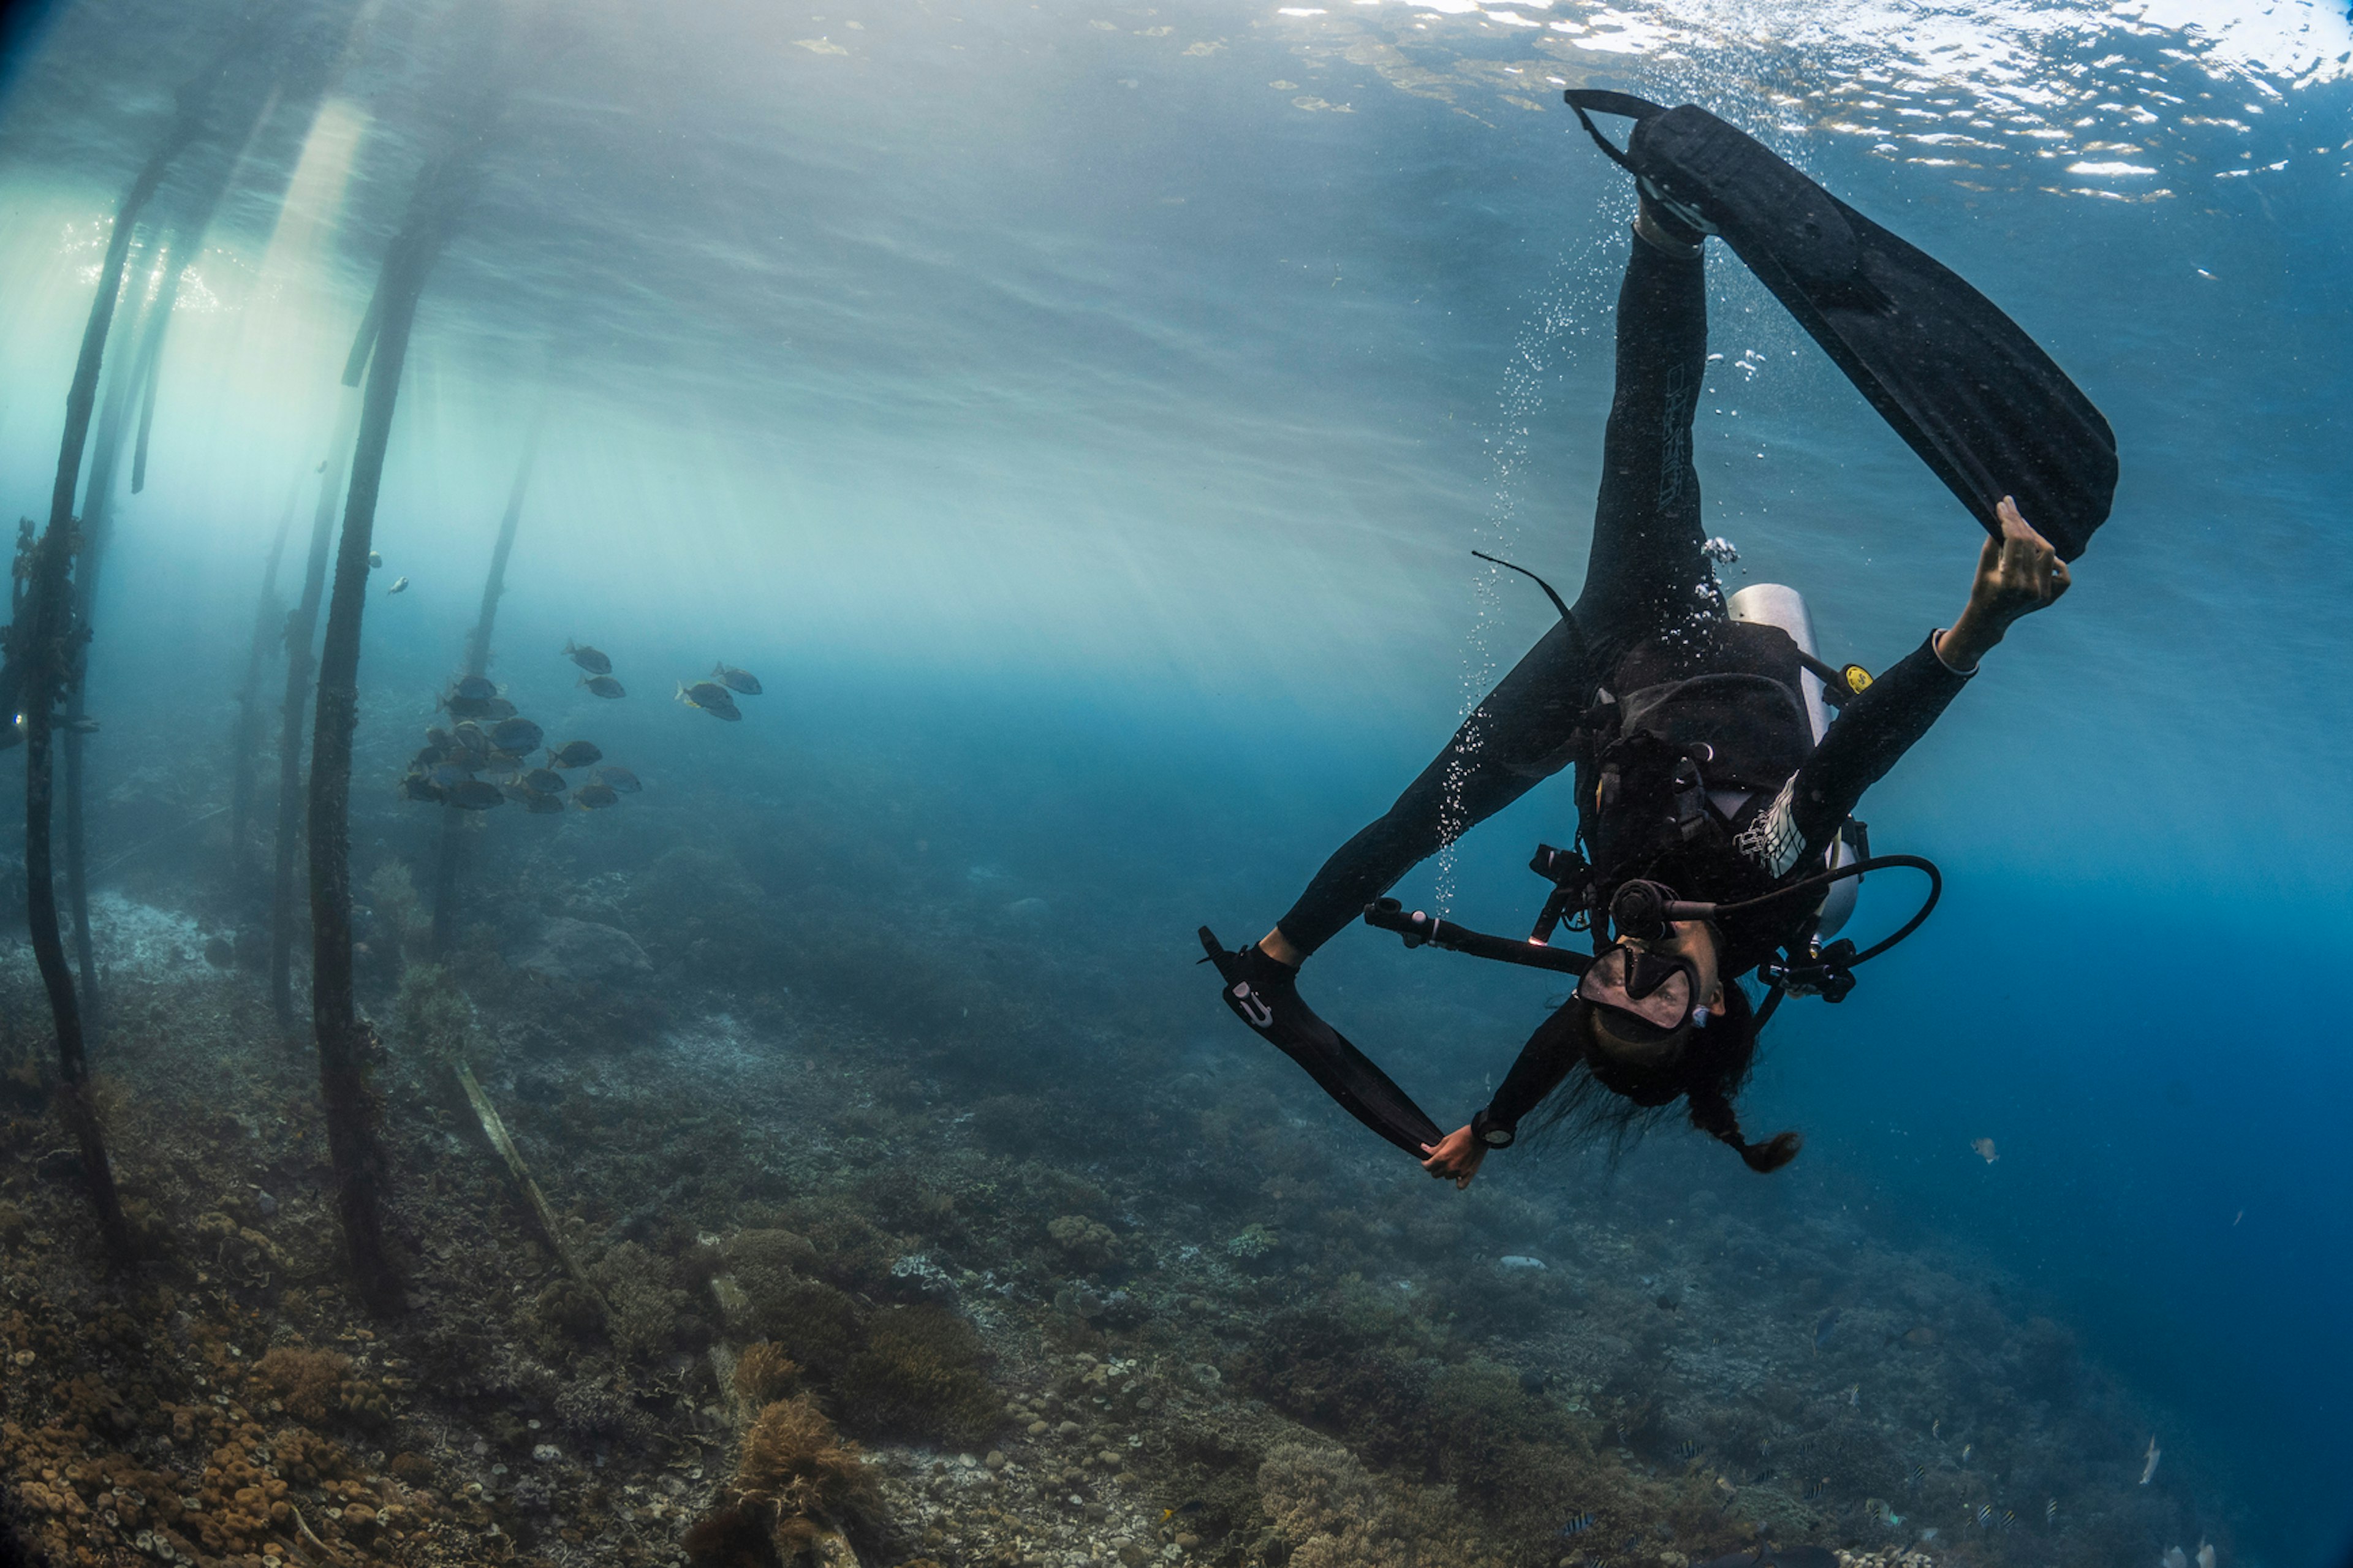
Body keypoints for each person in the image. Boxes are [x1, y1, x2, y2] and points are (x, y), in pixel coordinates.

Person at [1202, 187, 2072, 1190]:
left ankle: (1279, 957)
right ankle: (1669, 234)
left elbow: (1574, 1037)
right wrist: (1977, 631)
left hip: (1606, 671)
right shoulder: (1762, 885)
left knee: (1421, 817)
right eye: (1654, 1000)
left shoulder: (1622, 963)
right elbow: (1851, 758)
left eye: (1604, 986)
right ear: (1709, 1010)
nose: (1628, 968)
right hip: (1707, 641)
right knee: (1648, 449)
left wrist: (1491, 1129)